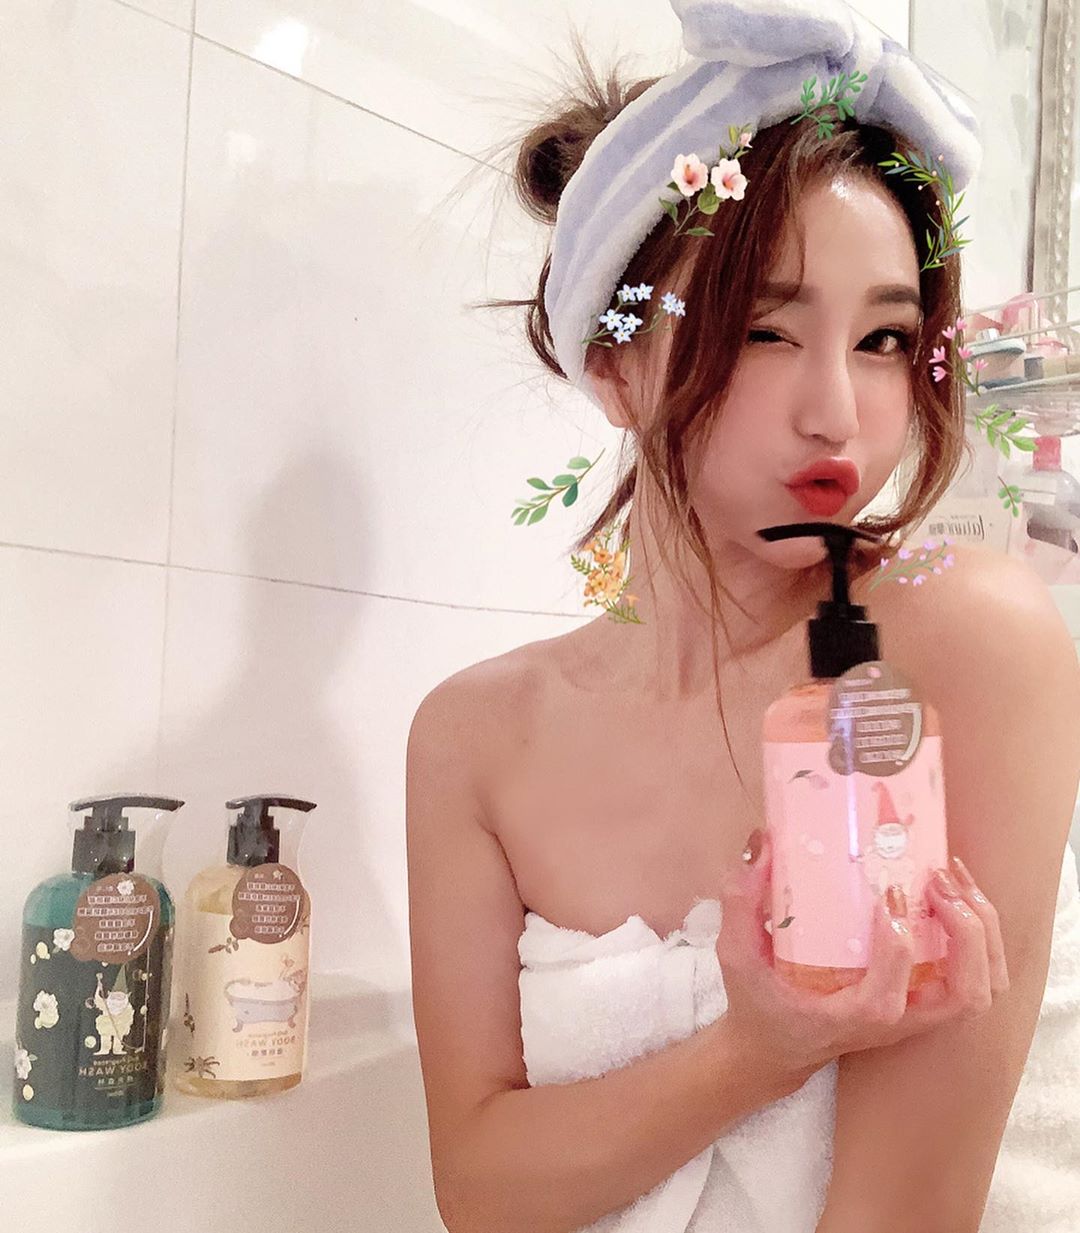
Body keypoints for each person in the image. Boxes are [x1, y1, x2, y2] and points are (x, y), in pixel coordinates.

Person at [406, 6, 1080, 1231]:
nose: (839, 413)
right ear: (614, 363)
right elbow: (480, 1190)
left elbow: (901, 1216)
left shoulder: (964, 641)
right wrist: (757, 1051)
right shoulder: (475, 738)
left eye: (884, 339)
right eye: (769, 330)